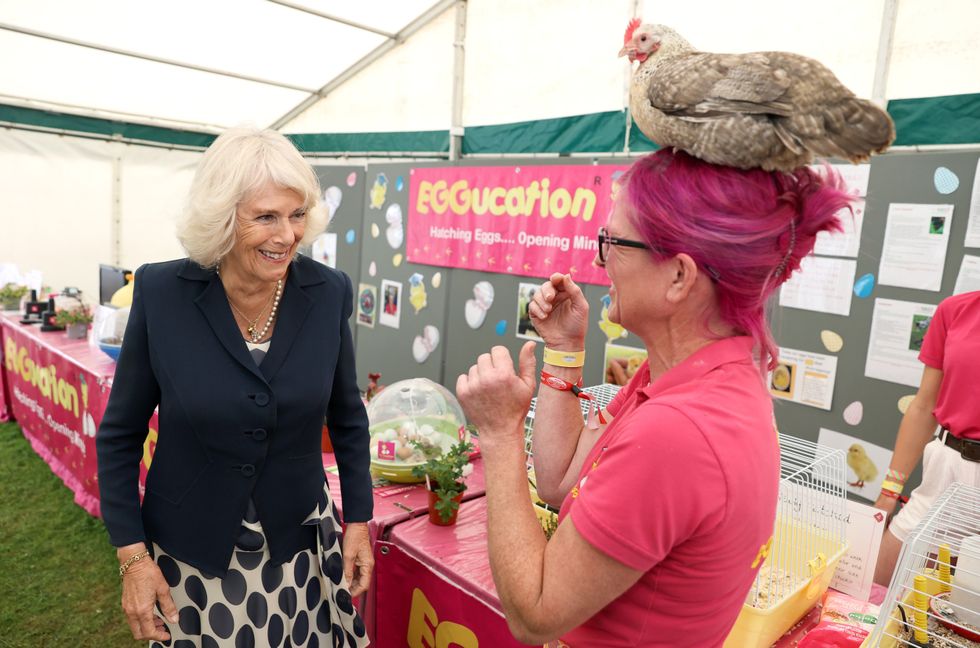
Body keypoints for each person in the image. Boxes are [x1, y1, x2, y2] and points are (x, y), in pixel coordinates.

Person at [456, 149, 853, 647]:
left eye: (614, 242)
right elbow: (559, 483)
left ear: (680, 276)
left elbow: (535, 613)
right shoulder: (703, 377)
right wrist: (563, 350)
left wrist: (498, 434)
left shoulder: (677, 433)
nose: (600, 260)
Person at [96, 127, 373, 647]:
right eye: (266, 216)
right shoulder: (160, 293)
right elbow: (119, 436)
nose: (287, 235)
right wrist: (133, 558)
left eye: (296, 215)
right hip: (192, 555)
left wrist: (358, 519)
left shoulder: (328, 291)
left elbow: (348, 416)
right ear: (223, 217)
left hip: (298, 552)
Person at [873, 289, 980, 586]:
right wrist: (888, 494)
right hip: (947, 468)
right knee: (880, 583)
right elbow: (923, 407)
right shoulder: (956, 310)